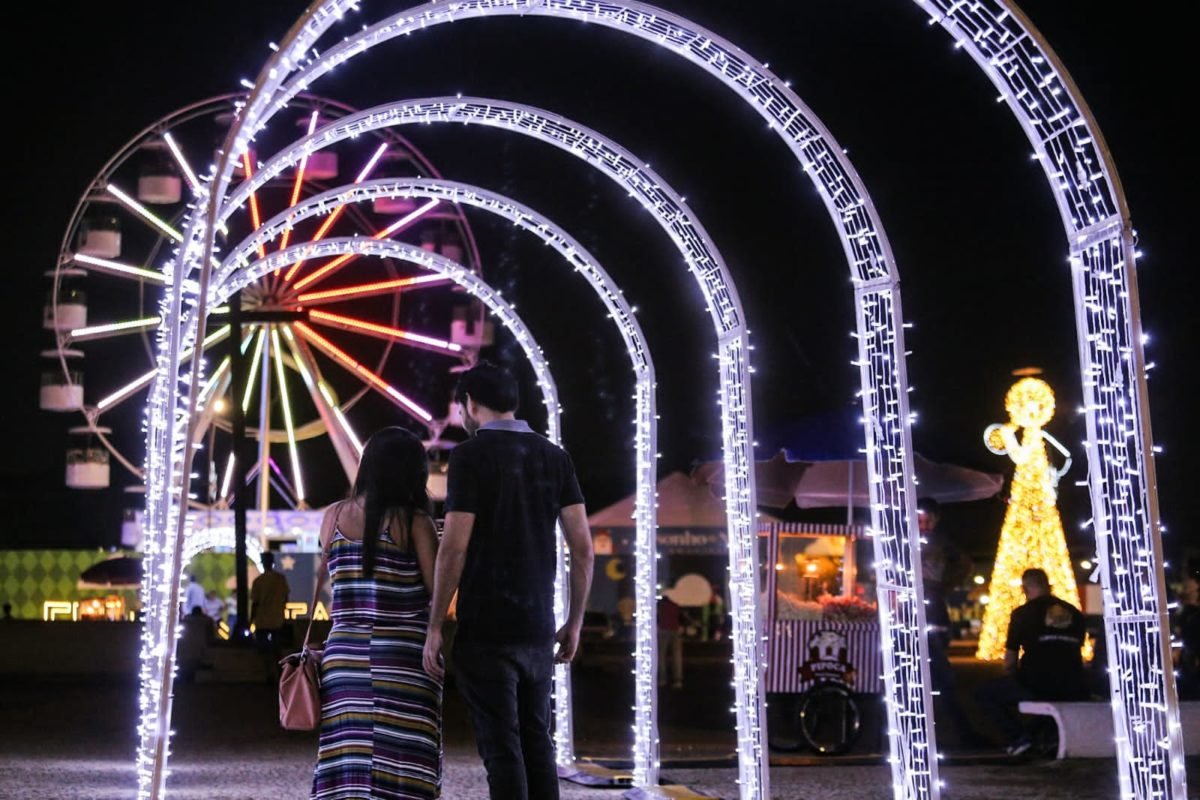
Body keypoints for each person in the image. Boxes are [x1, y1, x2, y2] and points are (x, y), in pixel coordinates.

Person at [422, 361, 594, 800]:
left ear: (470, 404)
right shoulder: (556, 457)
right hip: (537, 626)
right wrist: (574, 622)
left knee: (502, 750)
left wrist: (436, 624)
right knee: (538, 742)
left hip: (487, 626)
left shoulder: (469, 456)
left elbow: (455, 546)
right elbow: (583, 548)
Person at [311, 427, 442, 799]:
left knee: (347, 758)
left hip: (343, 658)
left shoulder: (331, 517)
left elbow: (329, 582)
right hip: (402, 657)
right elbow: (438, 591)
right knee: (404, 757)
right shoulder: (415, 522)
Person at [975, 567, 1088, 754]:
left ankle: (1019, 737)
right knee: (1050, 698)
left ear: (1025, 589)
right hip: (1074, 684)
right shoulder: (1074, 613)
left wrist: (1012, 673)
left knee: (985, 695)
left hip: (1037, 682)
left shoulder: (1022, 613)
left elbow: (1010, 660)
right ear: (1049, 586)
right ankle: (1048, 736)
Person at [916, 497, 982, 747]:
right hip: (919, 612)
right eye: (922, 518)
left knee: (941, 676)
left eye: (929, 519)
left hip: (932, 614)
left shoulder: (940, 544)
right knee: (937, 677)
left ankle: (957, 732)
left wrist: (942, 587)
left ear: (936, 519)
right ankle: (957, 731)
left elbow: (965, 564)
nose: (925, 523)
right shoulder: (907, 540)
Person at [250, 552, 290, 681]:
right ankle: (280, 674)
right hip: (277, 620)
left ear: (262, 563)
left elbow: (255, 603)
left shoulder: (258, 581)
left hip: (262, 620)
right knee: (277, 649)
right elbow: (285, 599)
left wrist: (251, 620)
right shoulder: (280, 579)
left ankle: (268, 674)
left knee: (264, 650)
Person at [657, 593, 684, 689]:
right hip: (675, 630)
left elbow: (657, 618)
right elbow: (681, 618)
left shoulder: (660, 606)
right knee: (676, 655)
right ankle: (677, 680)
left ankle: (663, 679)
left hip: (663, 630)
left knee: (661, 655)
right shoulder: (675, 605)